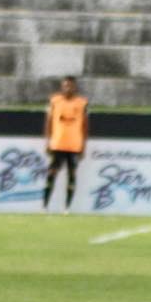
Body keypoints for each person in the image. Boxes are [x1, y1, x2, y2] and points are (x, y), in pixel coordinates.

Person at [42, 76, 88, 212]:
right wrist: (47, 141)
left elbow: (85, 125)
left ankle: (66, 208)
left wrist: (84, 145)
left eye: (71, 85)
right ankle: (45, 206)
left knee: (72, 175)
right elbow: (49, 122)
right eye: (66, 85)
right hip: (57, 144)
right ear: (62, 87)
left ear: (75, 87)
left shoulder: (82, 103)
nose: (68, 88)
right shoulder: (55, 101)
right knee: (51, 174)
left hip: (74, 146)